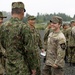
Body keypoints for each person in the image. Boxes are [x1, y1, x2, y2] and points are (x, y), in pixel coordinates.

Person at [0, 2, 37, 75]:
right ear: (22, 12)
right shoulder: (24, 27)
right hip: (21, 67)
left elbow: (3, 44)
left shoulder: (3, 27)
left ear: (11, 12)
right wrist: (33, 67)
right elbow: (30, 50)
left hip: (9, 66)